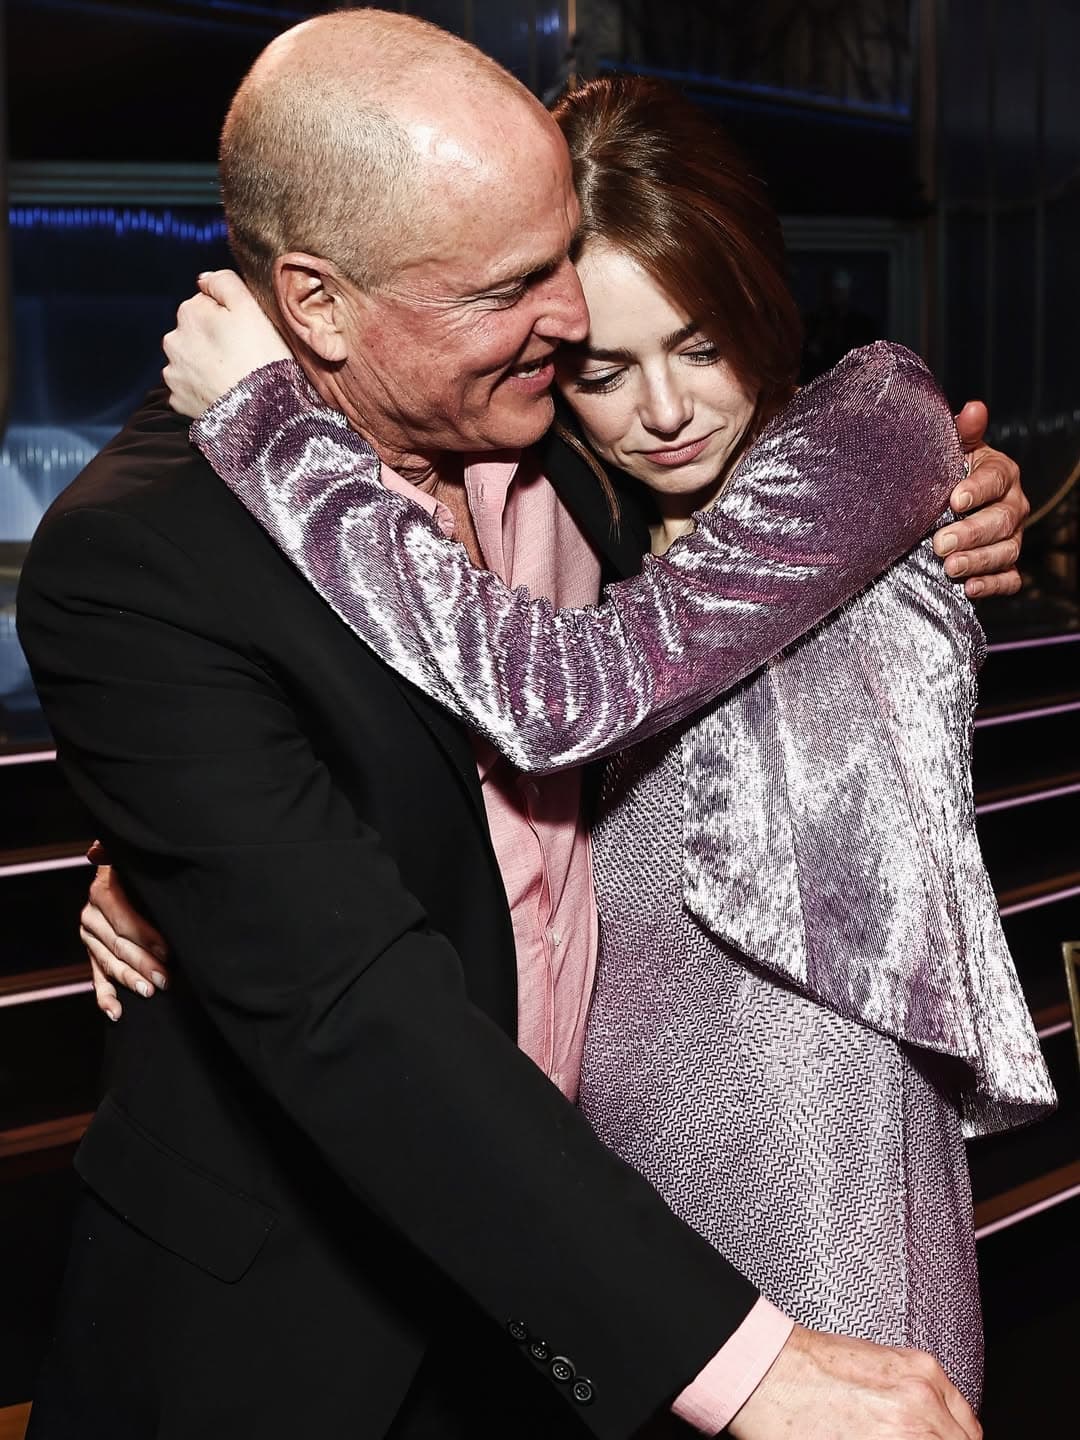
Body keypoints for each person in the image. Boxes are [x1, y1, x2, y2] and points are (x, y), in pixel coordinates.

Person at [23, 11, 1023, 1440]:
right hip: (302, 1338)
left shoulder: (567, 431)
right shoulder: (143, 550)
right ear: (315, 302)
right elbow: (352, 1002)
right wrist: (175, 857)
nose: (572, 321)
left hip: (609, 1260)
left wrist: (942, 491)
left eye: (569, 261)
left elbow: (688, 586)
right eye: (514, 283)